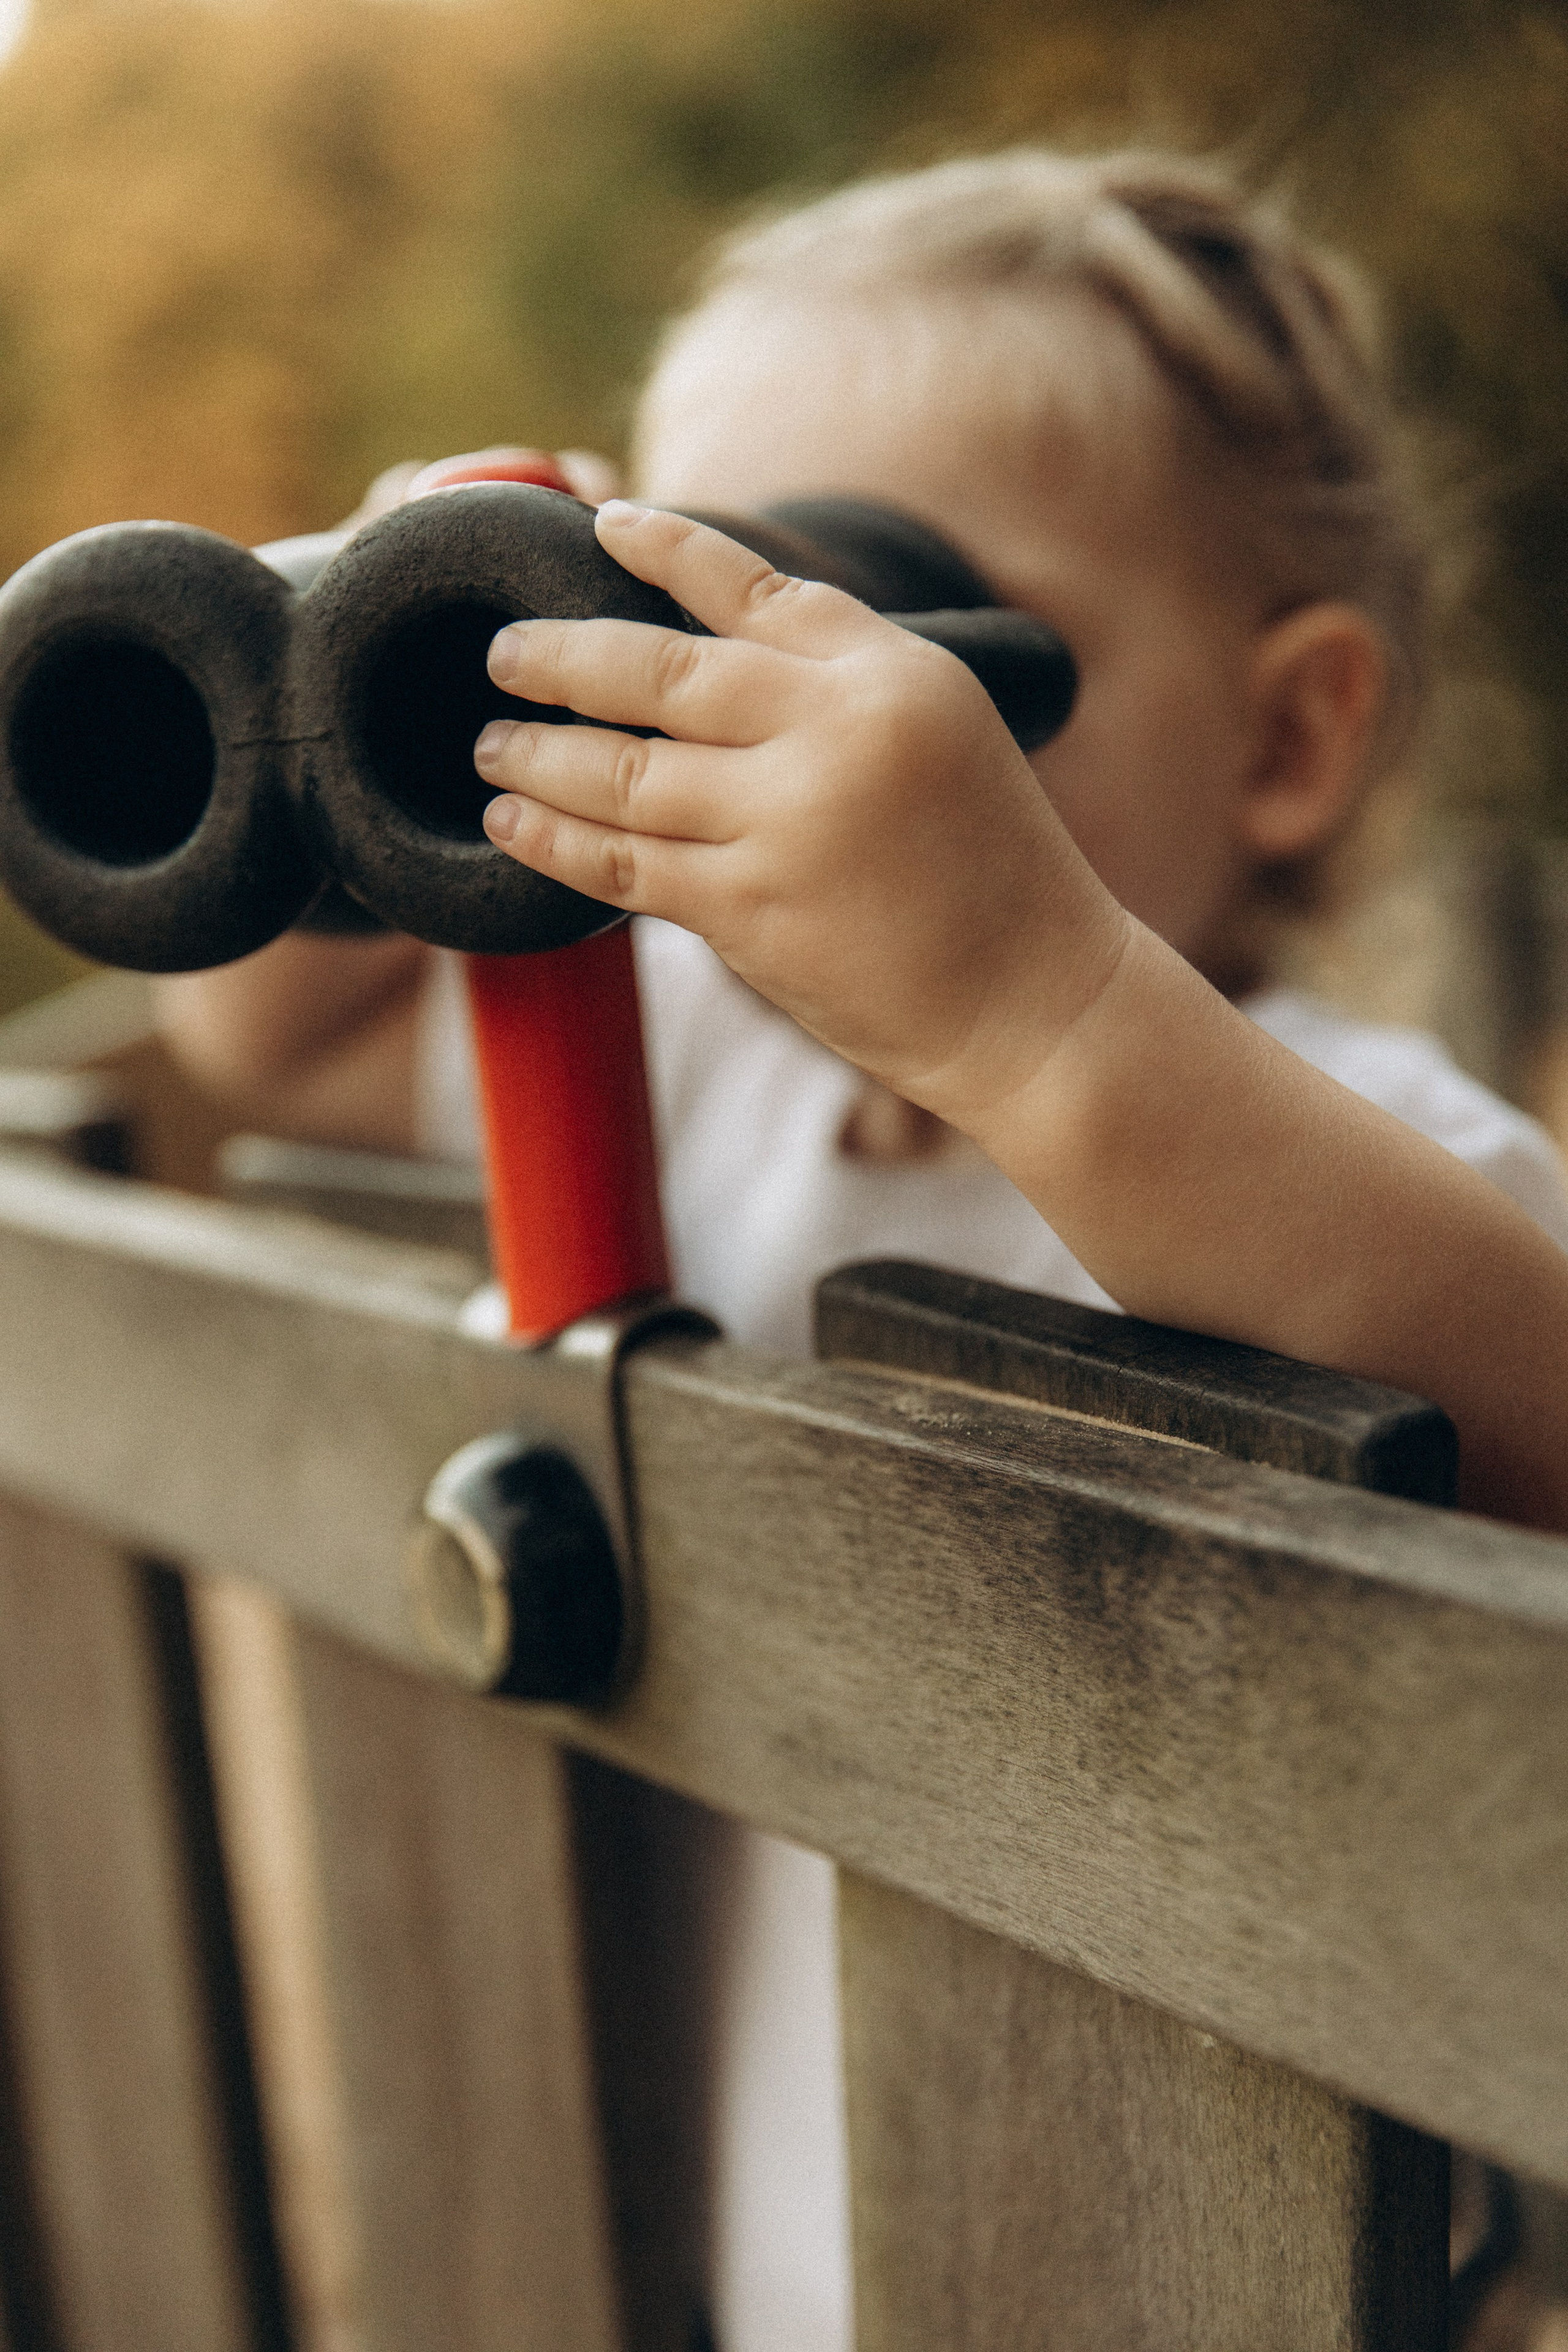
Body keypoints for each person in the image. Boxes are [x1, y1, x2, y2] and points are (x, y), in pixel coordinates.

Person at [157, 149, 1568, 2349]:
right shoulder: (681, 1061)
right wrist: (390, 655)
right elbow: (268, 1034)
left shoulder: (1359, 1146)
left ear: (1288, 736)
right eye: (700, 607)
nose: (776, 707)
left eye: (880, 619)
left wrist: (1035, 1007)